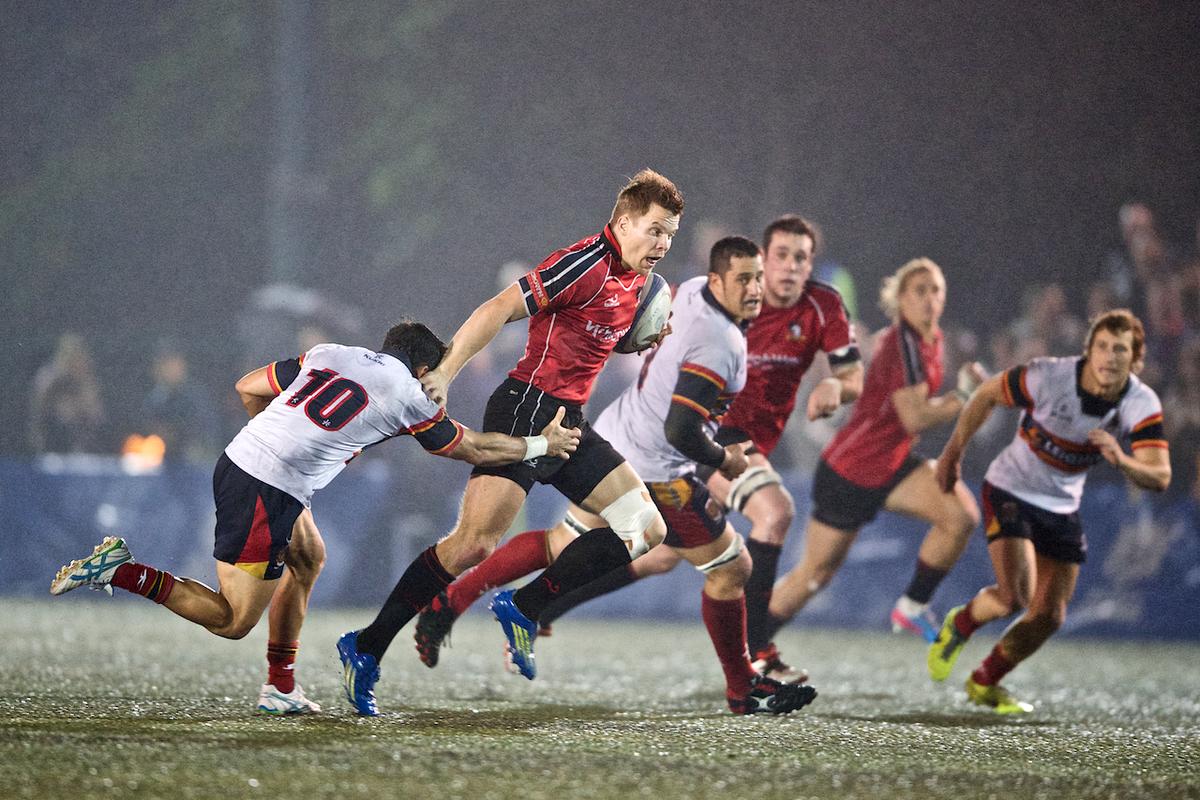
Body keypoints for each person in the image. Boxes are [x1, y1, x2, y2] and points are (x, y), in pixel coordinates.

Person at [420, 215, 864, 685]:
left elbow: (852, 373)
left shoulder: (822, 306)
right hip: (677, 447)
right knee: (770, 519)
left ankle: (471, 603)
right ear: (759, 260)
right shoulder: (709, 302)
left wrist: (839, 386)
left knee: (624, 550)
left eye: (802, 258)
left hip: (686, 443)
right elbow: (674, 395)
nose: (790, 268)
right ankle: (756, 660)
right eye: (780, 257)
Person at [49, 322, 579, 715]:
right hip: (265, 485)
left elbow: (247, 387)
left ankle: (280, 687)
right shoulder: (408, 394)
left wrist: (280, 443)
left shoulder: (333, 352)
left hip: (253, 466)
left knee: (309, 558)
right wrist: (540, 443)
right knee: (233, 621)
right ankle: (120, 570)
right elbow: (476, 449)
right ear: (424, 369)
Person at [336, 170, 684, 716]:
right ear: (621, 222)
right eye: (654, 230)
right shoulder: (584, 261)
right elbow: (497, 308)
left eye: (670, 235)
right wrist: (447, 371)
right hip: (526, 409)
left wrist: (638, 341)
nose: (662, 245)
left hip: (568, 423)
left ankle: (525, 605)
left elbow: (591, 334)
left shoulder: (641, 282)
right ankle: (367, 645)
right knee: (472, 546)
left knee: (647, 529)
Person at [928, 309, 1170, 713]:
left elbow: (1160, 476)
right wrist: (953, 453)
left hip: (1061, 505)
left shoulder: (1140, 402)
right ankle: (961, 623)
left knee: (1050, 616)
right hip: (1011, 487)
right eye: (1103, 347)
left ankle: (984, 681)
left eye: (1121, 350)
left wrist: (1121, 460)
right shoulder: (1050, 377)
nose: (1110, 358)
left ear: (1135, 358)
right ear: (1088, 351)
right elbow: (988, 393)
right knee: (1013, 598)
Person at [748, 257, 985, 661]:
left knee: (961, 516)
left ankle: (913, 606)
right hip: (850, 472)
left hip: (890, 465)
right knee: (813, 577)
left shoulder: (933, 339)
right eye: (919, 291)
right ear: (900, 299)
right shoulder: (901, 342)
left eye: (936, 290)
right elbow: (914, 415)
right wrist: (963, 398)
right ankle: (747, 649)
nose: (929, 299)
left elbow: (907, 419)